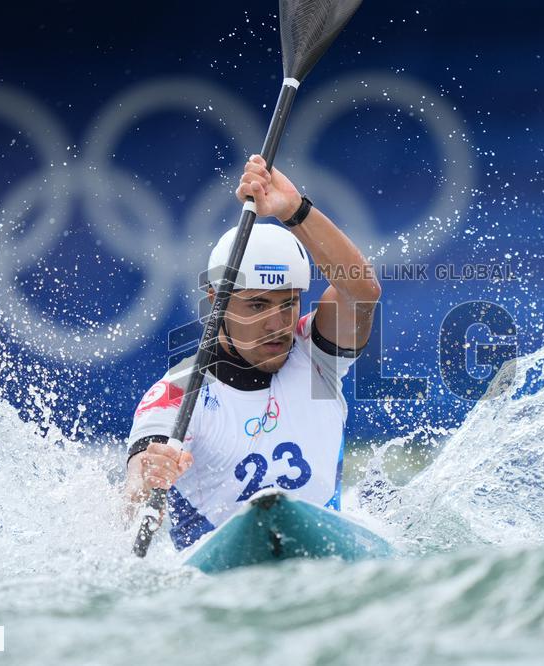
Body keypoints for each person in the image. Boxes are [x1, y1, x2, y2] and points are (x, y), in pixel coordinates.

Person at [122, 154, 381, 549]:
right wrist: (148, 475)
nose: (278, 324)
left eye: (288, 303)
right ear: (216, 301)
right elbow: (134, 489)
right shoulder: (176, 394)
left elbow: (362, 291)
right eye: (258, 306)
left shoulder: (316, 357)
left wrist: (295, 210)